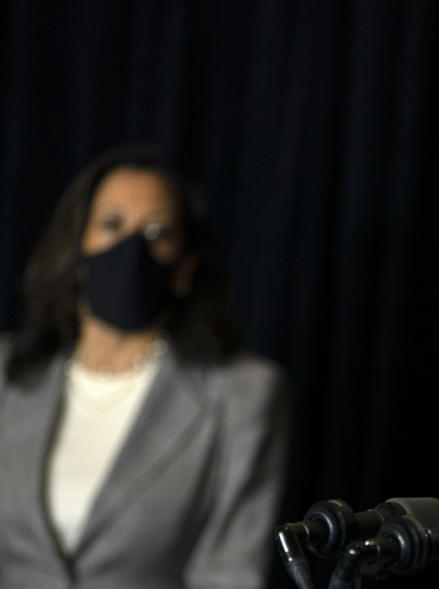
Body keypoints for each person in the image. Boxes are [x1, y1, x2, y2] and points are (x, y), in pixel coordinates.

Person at [0, 146, 289, 588]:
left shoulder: (243, 394)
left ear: (184, 266)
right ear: (76, 248)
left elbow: (230, 572)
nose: (132, 248)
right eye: (112, 225)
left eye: (157, 232)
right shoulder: (7, 370)